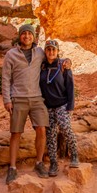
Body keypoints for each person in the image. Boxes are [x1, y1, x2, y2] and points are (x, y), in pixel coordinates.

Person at [2, 24, 70, 185]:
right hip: (18, 98)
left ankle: (39, 163)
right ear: (20, 36)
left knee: (41, 129)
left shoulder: (39, 52)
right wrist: (6, 99)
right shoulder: (11, 55)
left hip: (37, 98)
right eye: (24, 33)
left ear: (33, 36)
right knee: (16, 133)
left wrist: (67, 61)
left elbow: (54, 57)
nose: (27, 36)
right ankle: (12, 167)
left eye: (29, 33)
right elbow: (5, 78)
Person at [39, 39, 79, 177]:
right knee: (50, 135)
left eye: (53, 50)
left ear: (57, 52)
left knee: (65, 127)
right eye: (48, 49)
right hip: (48, 107)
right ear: (45, 51)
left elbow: (70, 87)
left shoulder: (63, 66)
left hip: (62, 105)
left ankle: (74, 154)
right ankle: (53, 163)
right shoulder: (42, 66)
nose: (51, 52)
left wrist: (71, 106)